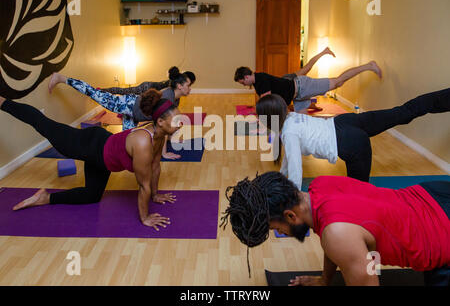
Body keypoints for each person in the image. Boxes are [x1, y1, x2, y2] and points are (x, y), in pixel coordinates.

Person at [221, 172, 450, 286]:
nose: (280, 233)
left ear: (290, 216)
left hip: (444, 241)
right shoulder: (320, 186)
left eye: (275, 228)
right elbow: (336, 239)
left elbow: (339, 240)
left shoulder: (337, 234)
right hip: (432, 194)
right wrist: (324, 279)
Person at [0, 91, 183, 231]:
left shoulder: (159, 136)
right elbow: (143, 185)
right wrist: (145, 217)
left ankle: (45, 197)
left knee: (91, 196)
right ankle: (3, 102)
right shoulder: (144, 142)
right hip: (89, 145)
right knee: (44, 124)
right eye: (176, 120)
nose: (181, 123)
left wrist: (156, 195)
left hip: (103, 157)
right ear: (160, 121)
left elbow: (155, 166)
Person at [255, 88, 449, 190]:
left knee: (358, 196)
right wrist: (280, 177)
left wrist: (292, 198)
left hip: (350, 141)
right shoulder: (290, 118)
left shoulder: (288, 133)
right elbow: (290, 158)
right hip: (346, 122)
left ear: (269, 117)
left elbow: (296, 170)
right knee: (403, 112)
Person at [48, 67, 194, 160]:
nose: (190, 89)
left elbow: (167, 126)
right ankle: (61, 78)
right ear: (180, 86)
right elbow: (160, 127)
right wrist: (163, 153)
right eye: (188, 85)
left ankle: (102, 153)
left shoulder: (174, 99)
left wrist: (170, 140)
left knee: (125, 144)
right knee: (93, 92)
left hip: (134, 114)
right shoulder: (167, 97)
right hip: (127, 105)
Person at [234, 47, 382, 112]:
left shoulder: (261, 80)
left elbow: (269, 105)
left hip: (302, 86)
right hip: (297, 95)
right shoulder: (257, 83)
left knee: (338, 81)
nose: (243, 85)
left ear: (246, 77)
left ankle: (369, 65)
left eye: (242, 82)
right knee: (301, 123)